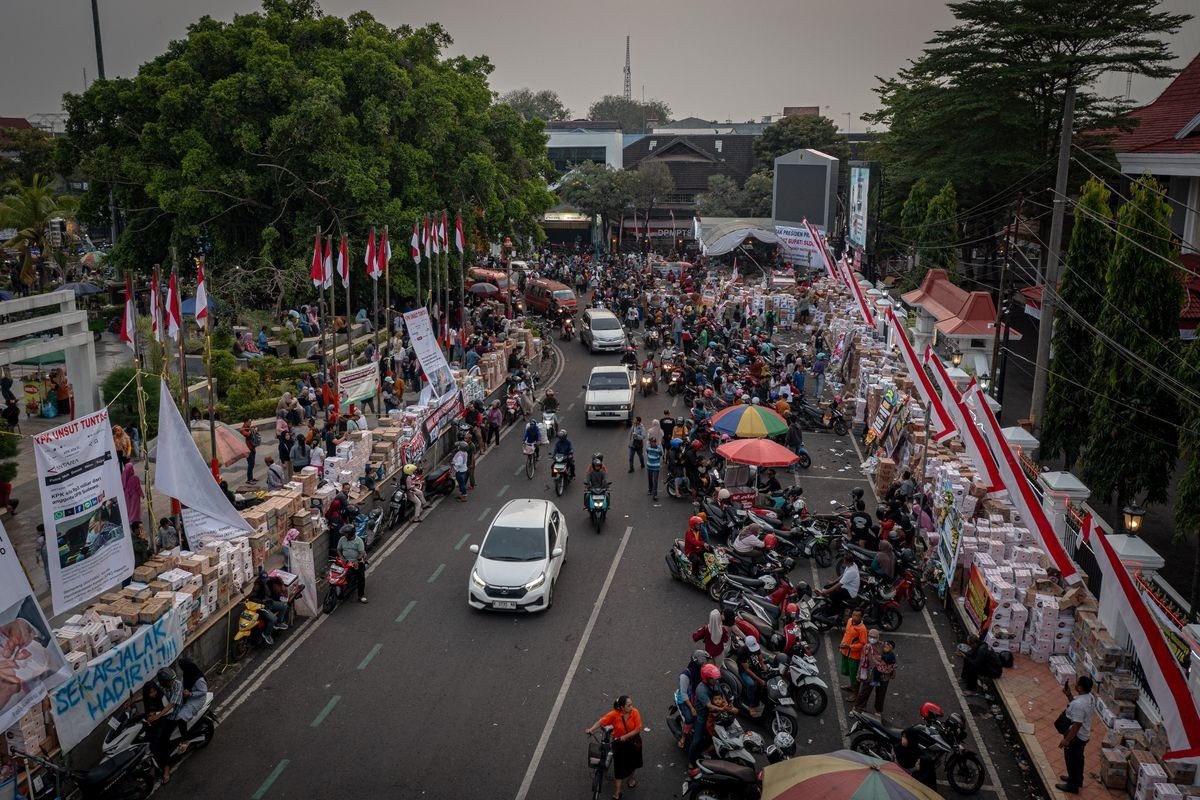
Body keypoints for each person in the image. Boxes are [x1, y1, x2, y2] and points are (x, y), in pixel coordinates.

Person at [584, 695, 643, 798]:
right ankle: (617, 792)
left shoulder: (635, 712)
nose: (631, 707)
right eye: (628, 705)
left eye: (631, 704)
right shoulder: (614, 714)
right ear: (621, 707)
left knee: (633, 763)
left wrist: (625, 736)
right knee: (619, 768)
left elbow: (638, 729)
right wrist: (591, 729)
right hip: (619, 744)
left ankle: (631, 778)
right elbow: (601, 721)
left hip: (633, 742)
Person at [1057, 675, 1096, 794]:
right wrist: (1069, 695)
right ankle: (1077, 779)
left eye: (1077, 684)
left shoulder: (1079, 705)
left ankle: (1072, 785)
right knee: (1079, 759)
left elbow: (1077, 725)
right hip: (1084, 735)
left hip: (1076, 737)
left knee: (1072, 760)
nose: (1075, 685)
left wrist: (1067, 740)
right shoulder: (1089, 697)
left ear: (1080, 687)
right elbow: (1076, 704)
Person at [147, 667, 184, 783]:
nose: (171, 683)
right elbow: (150, 694)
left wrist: (158, 716)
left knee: (164, 741)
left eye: (171, 680)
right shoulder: (160, 685)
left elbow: (172, 705)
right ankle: (153, 765)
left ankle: (166, 768)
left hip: (174, 716)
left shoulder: (177, 685)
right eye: (169, 681)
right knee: (152, 738)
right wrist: (133, 701)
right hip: (163, 715)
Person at [688, 663, 723, 768]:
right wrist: (722, 709)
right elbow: (709, 706)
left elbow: (721, 695)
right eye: (713, 679)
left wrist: (728, 705)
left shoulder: (714, 684)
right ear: (707, 678)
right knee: (696, 741)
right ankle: (691, 761)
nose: (715, 680)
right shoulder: (701, 689)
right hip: (703, 716)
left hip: (715, 714)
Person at [853, 632, 896, 714]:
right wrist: (860, 674)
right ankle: (857, 707)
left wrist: (893, 671)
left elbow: (892, 660)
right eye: (870, 636)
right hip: (871, 674)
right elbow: (863, 662)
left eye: (874, 637)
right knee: (865, 691)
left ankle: (878, 711)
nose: (872, 639)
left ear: (878, 637)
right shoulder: (867, 647)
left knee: (881, 694)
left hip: (884, 676)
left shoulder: (884, 645)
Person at [675, 650, 710, 749]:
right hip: (686, 700)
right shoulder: (685, 675)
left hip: (697, 696)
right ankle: (683, 737)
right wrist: (692, 708)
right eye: (705, 661)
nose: (707, 663)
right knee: (690, 718)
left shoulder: (703, 671)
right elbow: (683, 693)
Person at [735, 636, 769, 713]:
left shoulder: (756, 646)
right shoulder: (741, 652)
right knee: (751, 684)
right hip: (744, 671)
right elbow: (747, 670)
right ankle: (751, 705)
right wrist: (760, 680)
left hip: (755, 667)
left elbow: (760, 658)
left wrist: (763, 666)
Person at [838, 609, 868, 693]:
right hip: (845, 652)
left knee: (854, 674)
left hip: (854, 656)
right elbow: (847, 634)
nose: (854, 617)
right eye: (853, 615)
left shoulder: (862, 629)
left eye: (857, 616)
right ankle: (851, 686)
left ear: (861, 617)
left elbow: (863, 644)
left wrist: (850, 646)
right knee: (848, 672)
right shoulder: (849, 621)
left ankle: (855, 692)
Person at [336, 524, 367, 603]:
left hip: (356, 562)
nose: (344, 535)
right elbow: (339, 550)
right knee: (337, 574)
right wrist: (341, 557)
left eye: (346, 533)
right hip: (345, 562)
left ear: (351, 534)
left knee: (361, 577)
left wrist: (357, 560)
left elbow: (361, 552)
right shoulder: (342, 539)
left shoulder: (359, 541)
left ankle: (361, 595)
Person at [645, 436, 663, 501]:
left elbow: (661, 454)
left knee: (655, 481)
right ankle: (650, 490)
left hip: (656, 467)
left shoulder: (659, 448)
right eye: (652, 442)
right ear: (650, 443)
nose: (654, 443)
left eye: (654, 442)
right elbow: (647, 451)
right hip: (649, 466)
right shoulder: (648, 448)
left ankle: (654, 494)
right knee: (650, 479)